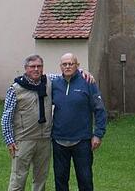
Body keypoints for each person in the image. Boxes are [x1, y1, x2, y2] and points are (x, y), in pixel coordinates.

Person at [1, 54, 94, 191]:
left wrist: (82, 72)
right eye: (32, 66)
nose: (36, 69)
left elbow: (67, 72)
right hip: (23, 140)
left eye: (39, 66)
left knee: (40, 179)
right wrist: (9, 140)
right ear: (26, 68)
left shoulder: (49, 82)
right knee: (18, 178)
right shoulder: (15, 89)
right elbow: (6, 116)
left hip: (44, 139)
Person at [51, 53, 107, 191]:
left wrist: (98, 134)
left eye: (71, 63)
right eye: (64, 64)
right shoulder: (54, 84)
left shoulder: (88, 82)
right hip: (59, 140)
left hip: (82, 141)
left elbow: (99, 109)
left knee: (85, 180)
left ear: (77, 65)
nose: (68, 66)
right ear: (60, 66)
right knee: (60, 180)